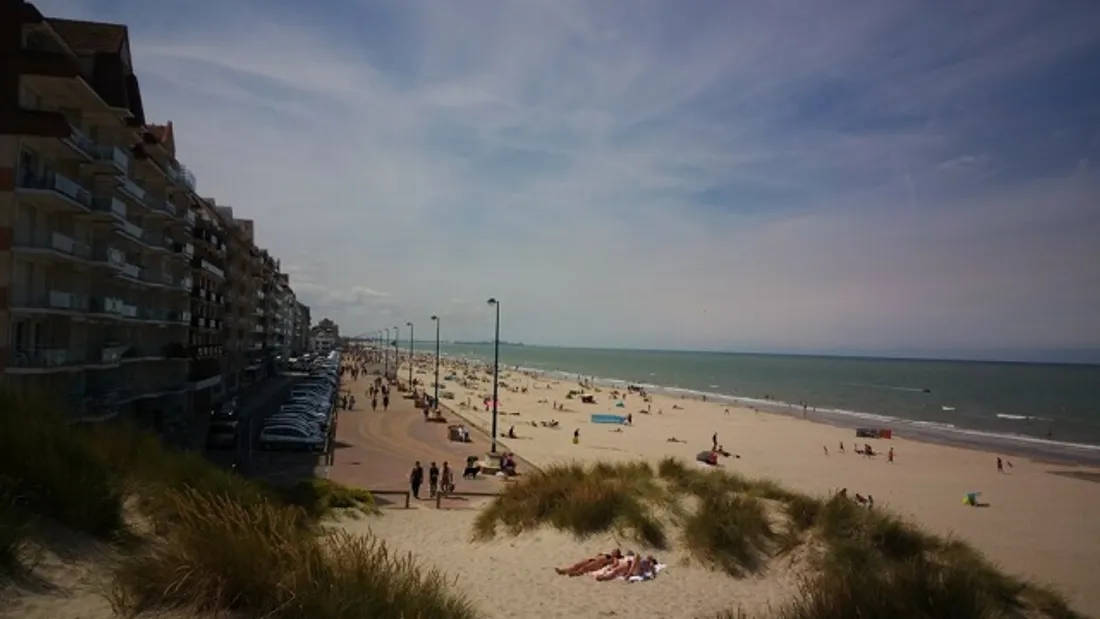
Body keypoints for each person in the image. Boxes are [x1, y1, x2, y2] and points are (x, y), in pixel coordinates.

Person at [555, 549, 622, 576]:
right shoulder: (608, 554)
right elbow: (598, 554)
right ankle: (563, 571)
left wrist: (610, 567)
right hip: (592, 559)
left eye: (615, 551)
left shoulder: (614, 558)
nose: (613, 551)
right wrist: (600, 554)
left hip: (598, 563)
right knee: (577, 565)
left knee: (585, 568)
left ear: (616, 554)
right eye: (614, 550)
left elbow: (616, 563)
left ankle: (575, 573)